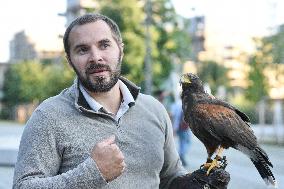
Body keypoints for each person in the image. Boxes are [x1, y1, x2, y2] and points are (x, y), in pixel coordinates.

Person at [13, 13, 229, 189]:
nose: (95, 57)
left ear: (120, 49)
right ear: (70, 60)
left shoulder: (154, 110)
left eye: (104, 45)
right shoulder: (48, 116)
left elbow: (169, 178)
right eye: (82, 49)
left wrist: (195, 183)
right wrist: (92, 173)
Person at [170, 98, 191, 167]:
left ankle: (181, 155)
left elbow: (172, 116)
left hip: (178, 126)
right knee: (185, 142)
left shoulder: (175, 104)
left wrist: (173, 127)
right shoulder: (185, 105)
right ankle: (181, 155)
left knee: (182, 142)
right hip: (184, 128)